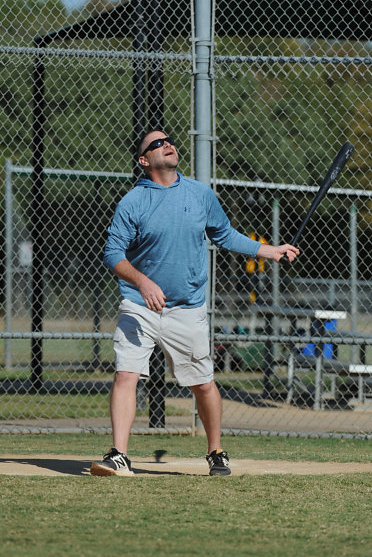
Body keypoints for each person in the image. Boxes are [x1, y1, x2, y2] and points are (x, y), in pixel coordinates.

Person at [90, 131, 299, 477]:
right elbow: (112, 254)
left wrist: (270, 251)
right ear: (144, 160)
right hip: (139, 305)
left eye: (169, 140)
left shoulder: (200, 194)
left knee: (202, 384)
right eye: (156, 144)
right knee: (126, 374)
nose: (167, 144)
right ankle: (119, 455)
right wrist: (142, 282)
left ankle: (216, 451)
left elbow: (224, 234)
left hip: (187, 307)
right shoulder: (133, 201)